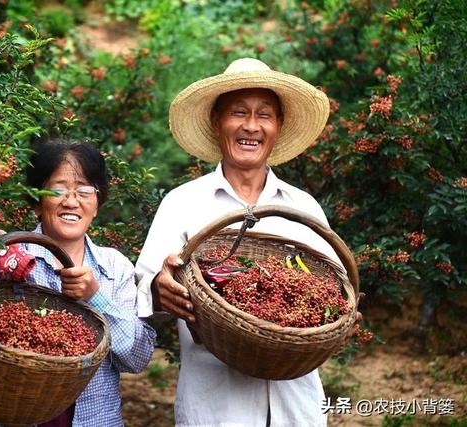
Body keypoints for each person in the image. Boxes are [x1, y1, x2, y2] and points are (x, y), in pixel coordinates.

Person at [135, 58, 353, 426]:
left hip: (295, 407)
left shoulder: (302, 207)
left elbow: (333, 290)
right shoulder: (183, 202)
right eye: (238, 112)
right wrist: (160, 290)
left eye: (264, 115)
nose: (251, 126)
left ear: (278, 126)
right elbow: (145, 293)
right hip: (217, 407)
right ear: (217, 121)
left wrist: (340, 319)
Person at [0, 137, 156, 427]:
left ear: (97, 204)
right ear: (36, 203)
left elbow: (137, 358)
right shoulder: (2, 252)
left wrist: (95, 297)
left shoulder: (114, 268)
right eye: (57, 189)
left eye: (84, 190)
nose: (71, 201)